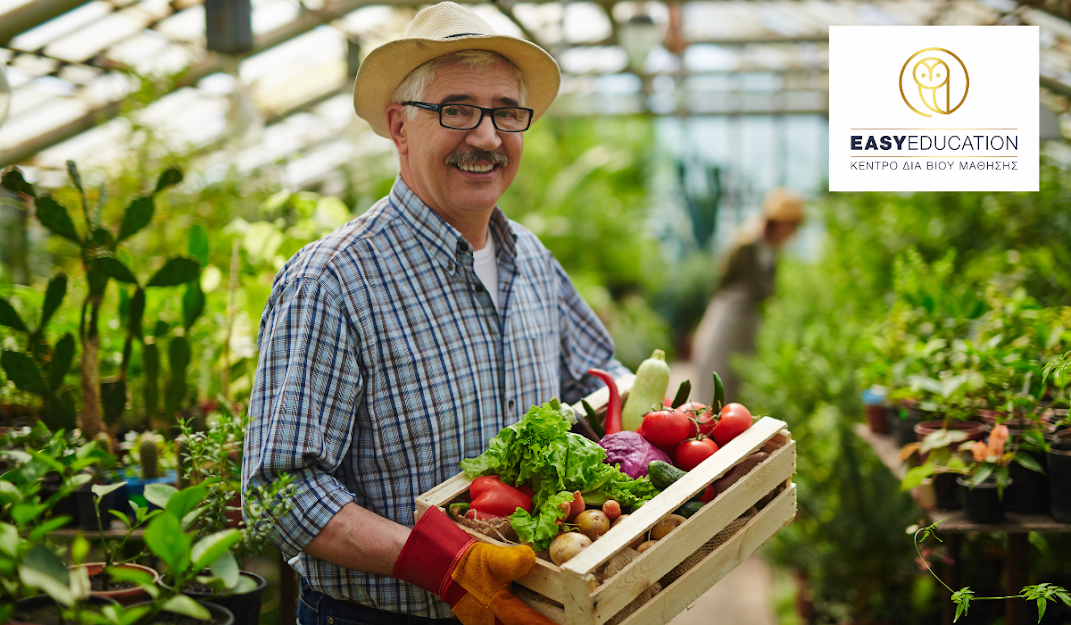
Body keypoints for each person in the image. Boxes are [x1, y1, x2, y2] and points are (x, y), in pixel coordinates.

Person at [240, 3, 629, 625]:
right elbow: (279, 492)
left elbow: (598, 379)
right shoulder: (332, 282)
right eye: (457, 110)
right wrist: (444, 565)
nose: (485, 136)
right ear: (399, 126)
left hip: (527, 606)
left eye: (506, 112)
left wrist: (691, 440)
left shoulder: (529, 257)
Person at [691, 188, 804, 406]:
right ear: (778, 223)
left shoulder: (771, 248)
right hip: (730, 315)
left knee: (737, 381)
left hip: (748, 319)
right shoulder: (749, 245)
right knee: (718, 374)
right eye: (791, 225)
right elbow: (748, 286)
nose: (792, 232)